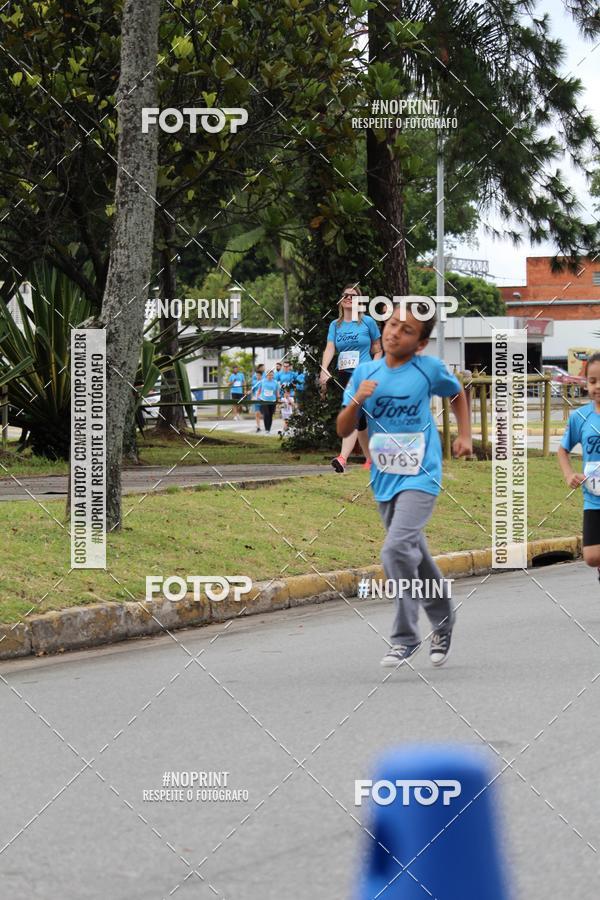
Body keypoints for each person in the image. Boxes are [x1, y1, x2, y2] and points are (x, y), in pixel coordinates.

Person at [336, 300, 472, 668]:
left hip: (422, 474)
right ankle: (444, 621)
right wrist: (357, 400)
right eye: (393, 324)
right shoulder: (365, 371)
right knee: (416, 556)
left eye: (407, 330)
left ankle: (405, 637)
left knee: (395, 551)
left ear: (420, 344)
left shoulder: (428, 369)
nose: (395, 332)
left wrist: (464, 435)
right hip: (384, 477)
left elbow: (457, 393)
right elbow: (344, 428)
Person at [321, 284, 382, 472]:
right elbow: (330, 348)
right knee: (360, 419)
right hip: (344, 374)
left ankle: (342, 458)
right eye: (345, 295)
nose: (349, 298)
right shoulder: (335, 325)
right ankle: (371, 460)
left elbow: (377, 349)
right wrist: (324, 369)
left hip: (363, 374)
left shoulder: (368, 322)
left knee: (352, 411)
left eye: (353, 296)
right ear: (341, 300)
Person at [558, 351, 600, 583]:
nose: (597, 386)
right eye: (592, 381)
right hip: (593, 499)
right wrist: (569, 474)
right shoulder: (580, 418)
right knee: (592, 557)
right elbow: (563, 450)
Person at [256, 369, 280, 433]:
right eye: (269, 375)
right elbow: (259, 391)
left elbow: (277, 392)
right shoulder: (262, 381)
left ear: (273, 376)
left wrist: (278, 400)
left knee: (270, 415)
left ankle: (268, 429)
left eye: (271, 375)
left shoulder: (275, 382)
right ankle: (266, 428)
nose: (270, 376)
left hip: (272, 400)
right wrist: (258, 397)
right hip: (264, 400)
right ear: (266, 375)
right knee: (266, 414)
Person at [251, 364, 265, 431]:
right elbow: (252, 390)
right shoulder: (254, 382)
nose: (257, 377)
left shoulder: (263, 382)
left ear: (261, 376)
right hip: (256, 399)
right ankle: (258, 426)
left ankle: (265, 425)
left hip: (263, 399)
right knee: (257, 413)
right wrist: (252, 396)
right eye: (257, 375)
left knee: (264, 413)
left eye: (259, 375)